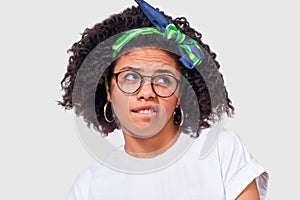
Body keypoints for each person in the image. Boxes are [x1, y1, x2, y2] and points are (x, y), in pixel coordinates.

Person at [59, 0, 269, 199]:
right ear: (108, 90)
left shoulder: (221, 151)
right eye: (130, 77)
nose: (147, 92)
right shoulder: (88, 188)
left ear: (180, 94)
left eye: (162, 79)